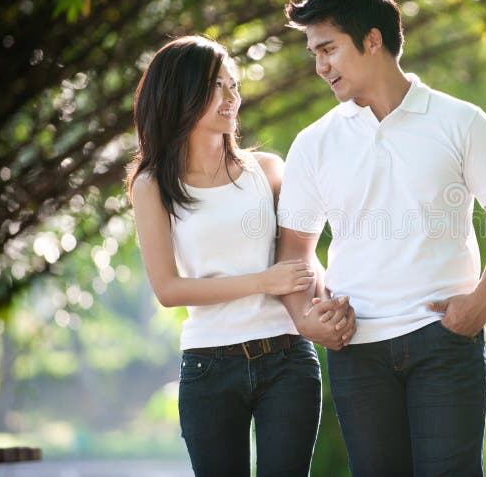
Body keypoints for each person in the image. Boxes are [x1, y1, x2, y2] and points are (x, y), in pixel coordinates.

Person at [277, 0, 486, 476]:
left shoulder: (459, 121)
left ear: (372, 40)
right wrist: (305, 319)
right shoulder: (314, 142)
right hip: (358, 350)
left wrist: (483, 298)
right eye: (313, 53)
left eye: (327, 49)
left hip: (445, 340)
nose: (319, 66)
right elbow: (293, 252)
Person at [126, 36, 355, 477]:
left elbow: (300, 256)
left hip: (289, 359)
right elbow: (169, 290)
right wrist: (262, 281)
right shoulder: (152, 185)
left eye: (233, 85)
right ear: (181, 92)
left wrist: (327, 298)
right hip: (209, 366)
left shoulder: (267, 171)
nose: (231, 97)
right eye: (217, 86)